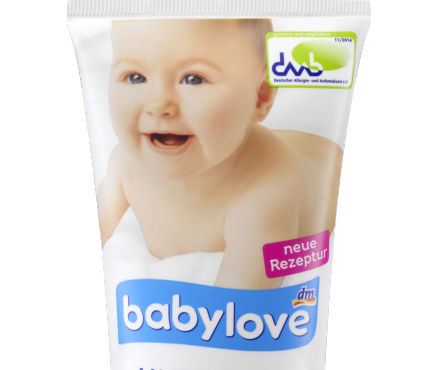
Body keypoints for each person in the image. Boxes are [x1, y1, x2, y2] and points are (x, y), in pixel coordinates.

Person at [97, 18, 342, 290]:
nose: (158, 104)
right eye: (135, 77)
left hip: (323, 160)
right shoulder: (125, 164)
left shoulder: (265, 195)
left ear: (260, 96)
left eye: (193, 79)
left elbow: (239, 307)